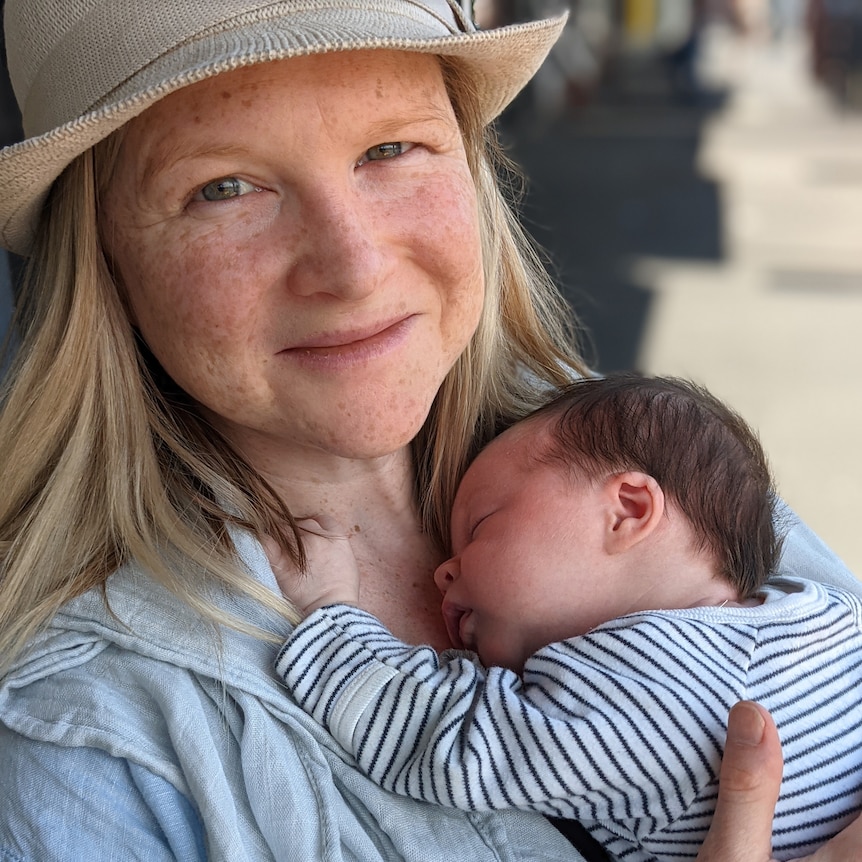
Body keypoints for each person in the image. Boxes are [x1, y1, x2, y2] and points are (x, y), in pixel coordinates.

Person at [0, 2, 858, 860]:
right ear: (104, 257)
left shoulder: (645, 458)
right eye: (223, 187)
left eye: (389, 149)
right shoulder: (85, 744)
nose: (355, 265)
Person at [273, 373, 862, 860]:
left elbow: (448, 746)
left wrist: (330, 620)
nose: (443, 573)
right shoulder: (819, 610)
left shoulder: (648, 689)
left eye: (480, 528)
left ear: (627, 511)